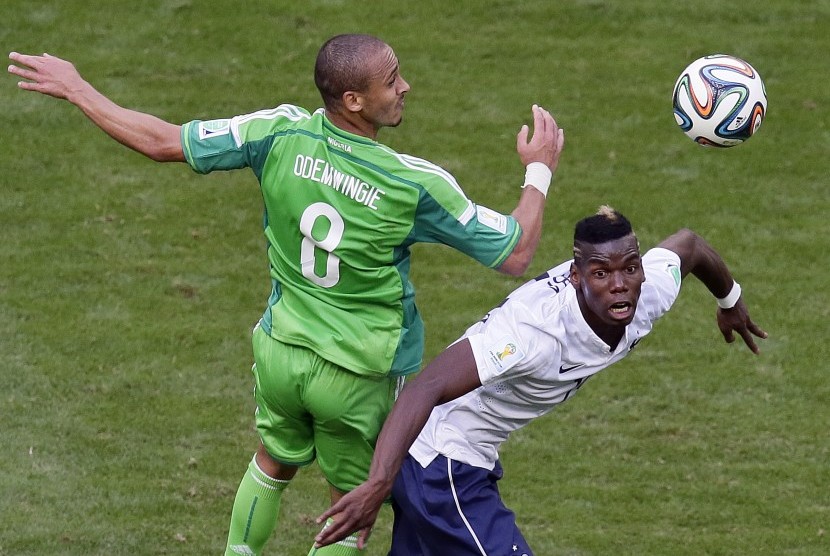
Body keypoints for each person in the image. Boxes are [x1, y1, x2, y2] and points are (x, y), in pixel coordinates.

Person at [8, 33, 564, 556]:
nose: (404, 88)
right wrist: (537, 172)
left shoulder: (275, 131)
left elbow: (161, 142)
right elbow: (514, 253)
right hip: (356, 374)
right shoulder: (411, 183)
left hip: (280, 352)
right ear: (353, 99)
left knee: (272, 462)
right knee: (352, 507)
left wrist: (78, 88)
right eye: (392, 81)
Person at [314, 206, 768, 555]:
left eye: (630, 268)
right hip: (443, 465)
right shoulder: (531, 333)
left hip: (455, 462)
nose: (620, 285)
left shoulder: (647, 293)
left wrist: (731, 299)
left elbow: (689, 246)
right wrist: (377, 483)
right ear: (575, 276)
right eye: (601, 273)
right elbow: (426, 386)